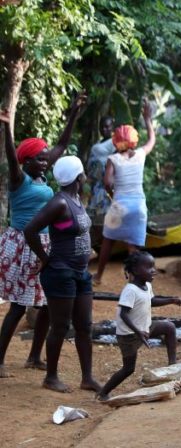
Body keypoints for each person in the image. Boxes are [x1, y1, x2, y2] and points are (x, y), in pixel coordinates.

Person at [0, 93, 84, 379]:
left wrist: (73, 113)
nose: (45, 161)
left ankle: (35, 356)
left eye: (46, 158)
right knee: (19, 306)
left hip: (46, 244)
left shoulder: (42, 178)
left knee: (48, 302)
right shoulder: (18, 179)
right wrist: (6, 126)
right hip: (24, 244)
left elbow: (61, 144)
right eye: (39, 158)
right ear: (27, 161)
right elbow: (11, 154)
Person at [23, 156, 101, 393]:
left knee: (84, 326)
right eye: (83, 172)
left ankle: (87, 377)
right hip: (60, 273)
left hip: (80, 273)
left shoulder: (76, 199)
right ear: (79, 176)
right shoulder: (60, 203)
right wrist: (46, 259)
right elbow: (30, 230)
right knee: (60, 326)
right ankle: (51, 377)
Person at [97, 251, 181, 401]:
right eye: (149, 267)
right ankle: (103, 393)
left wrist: (172, 300)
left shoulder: (147, 286)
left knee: (169, 327)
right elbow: (123, 315)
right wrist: (138, 332)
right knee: (128, 369)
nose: (154, 271)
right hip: (129, 336)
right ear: (136, 270)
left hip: (145, 328)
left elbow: (151, 301)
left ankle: (172, 366)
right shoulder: (130, 291)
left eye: (154, 267)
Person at [93, 99, 155, 285]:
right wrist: (148, 120)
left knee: (108, 241)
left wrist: (112, 194)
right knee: (132, 246)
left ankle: (98, 276)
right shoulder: (141, 155)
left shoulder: (113, 158)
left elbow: (107, 182)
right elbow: (152, 140)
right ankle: (136, 280)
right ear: (134, 140)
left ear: (116, 141)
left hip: (119, 205)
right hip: (138, 207)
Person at [86, 116, 115, 217]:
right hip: (95, 186)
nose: (104, 129)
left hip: (106, 187)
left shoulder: (114, 143)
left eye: (107, 127)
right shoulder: (99, 143)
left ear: (112, 127)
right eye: (102, 127)